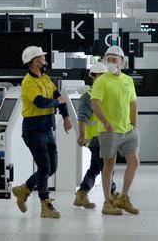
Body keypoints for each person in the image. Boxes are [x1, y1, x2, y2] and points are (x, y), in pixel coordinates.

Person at [11, 45, 72, 219]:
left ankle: (24, 189)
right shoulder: (28, 82)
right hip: (33, 128)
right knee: (44, 166)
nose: (44, 58)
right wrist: (56, 101)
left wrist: (66, 117)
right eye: (41, 57)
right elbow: (40, 102)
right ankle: (45, 205)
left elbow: (59, 98)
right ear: (34, 62)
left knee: (52, 167)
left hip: (47, 127)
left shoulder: (45, 78)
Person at [91, 45, 140, 216]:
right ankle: (107, 202)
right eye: (108, 60)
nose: (111, 62)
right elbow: (95, 103)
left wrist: (134, 125)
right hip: (109, 130)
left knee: (134, 162)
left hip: (127, 130)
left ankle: (123, 198)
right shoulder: (101, 81)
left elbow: (133, 103)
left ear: (122, 61)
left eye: (114, 59)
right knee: (109, 164)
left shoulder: (128, 80)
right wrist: (105, 122)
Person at [73, 59, 107, 209]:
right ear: (93, 76)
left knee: (95, 167)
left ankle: (82, 194)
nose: (101, 79)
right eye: (98, 75)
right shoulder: (89, 96)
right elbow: (82, 117)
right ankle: (112, 194)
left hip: (106, 138)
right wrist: (81, 135)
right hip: (95, 139)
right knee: (106, 167)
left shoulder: (106, 93)